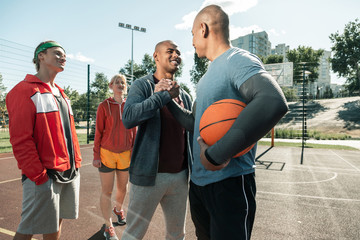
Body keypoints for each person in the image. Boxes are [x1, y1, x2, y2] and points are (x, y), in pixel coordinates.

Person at [167, 5, 289, 240]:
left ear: (203, 29)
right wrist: (167, 101)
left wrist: (215, 155)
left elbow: (273, 101)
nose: (192, 41)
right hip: (200, 186)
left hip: (229, 184)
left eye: (192, 33)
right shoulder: (205, 79)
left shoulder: (237, 60)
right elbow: (195, 124)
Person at [6, 40, 82, 240]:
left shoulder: (62, 94)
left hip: (69, 170)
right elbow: (21, 139)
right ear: (41, 56)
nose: (63, 57)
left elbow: (69, 133)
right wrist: (38, 175)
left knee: (57, 220)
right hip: (44, 175)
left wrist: (77, 164)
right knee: (28, 227)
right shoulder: (23, 91)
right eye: (57, 53)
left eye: (64, 54)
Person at [121, 40, 193, 240]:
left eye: (178, 52)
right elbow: (128, 118)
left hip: (179, 177)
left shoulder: (184, 94)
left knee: (177, 234)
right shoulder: (142, 85)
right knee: (134, 234)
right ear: (156, 56)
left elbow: (191, 126)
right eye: (170, 51)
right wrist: (161, 97)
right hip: (148, 177)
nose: (176, 55)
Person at [92, 74, 137, 240]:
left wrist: (134, 150)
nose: (120, 84)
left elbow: (134, 130)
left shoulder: (130, 105)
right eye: (117, 82)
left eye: (123, 82)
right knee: (107, 190)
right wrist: (96, 155)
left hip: (125, 154)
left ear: (126, 87)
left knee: (123, 188)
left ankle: (118, 209)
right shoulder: (104, 106)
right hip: (107, 153)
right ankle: (108, 226)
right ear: (111, 86)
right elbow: (98, 132)